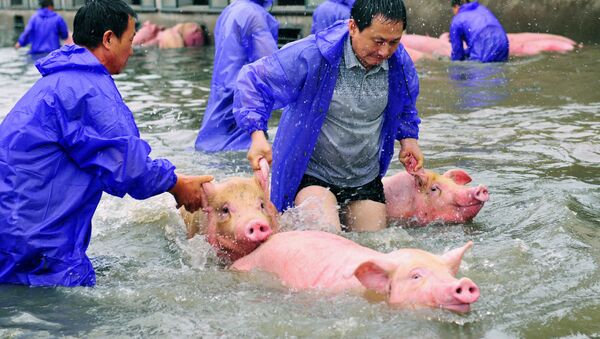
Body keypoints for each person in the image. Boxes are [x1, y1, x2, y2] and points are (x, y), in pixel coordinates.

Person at [0, 0, 213, 287]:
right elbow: (131, 169)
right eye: (130, 39)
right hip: (37, 250)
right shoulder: (89, 90)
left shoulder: (55, 82)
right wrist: (177, 184)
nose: (132, 49)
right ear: (109, 39)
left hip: (11, 233)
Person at [234, 0, 423, 232]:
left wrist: (409, 140)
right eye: (378, 41)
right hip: (313, 174)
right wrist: (257, 136)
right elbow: (253, 80)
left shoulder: (398, 62)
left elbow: (404, 105)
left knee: (374, 248)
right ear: (353, 27)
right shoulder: (314, 54)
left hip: (364, 177)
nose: (385, 51)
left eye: (394, 42)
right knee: (326, 236)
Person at [194, 0, 279, 152]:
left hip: (222, 92)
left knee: (214, 147)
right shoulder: (255, 15)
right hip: (244, 95)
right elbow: (270, 65)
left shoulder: (229, 10)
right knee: (249, 152)